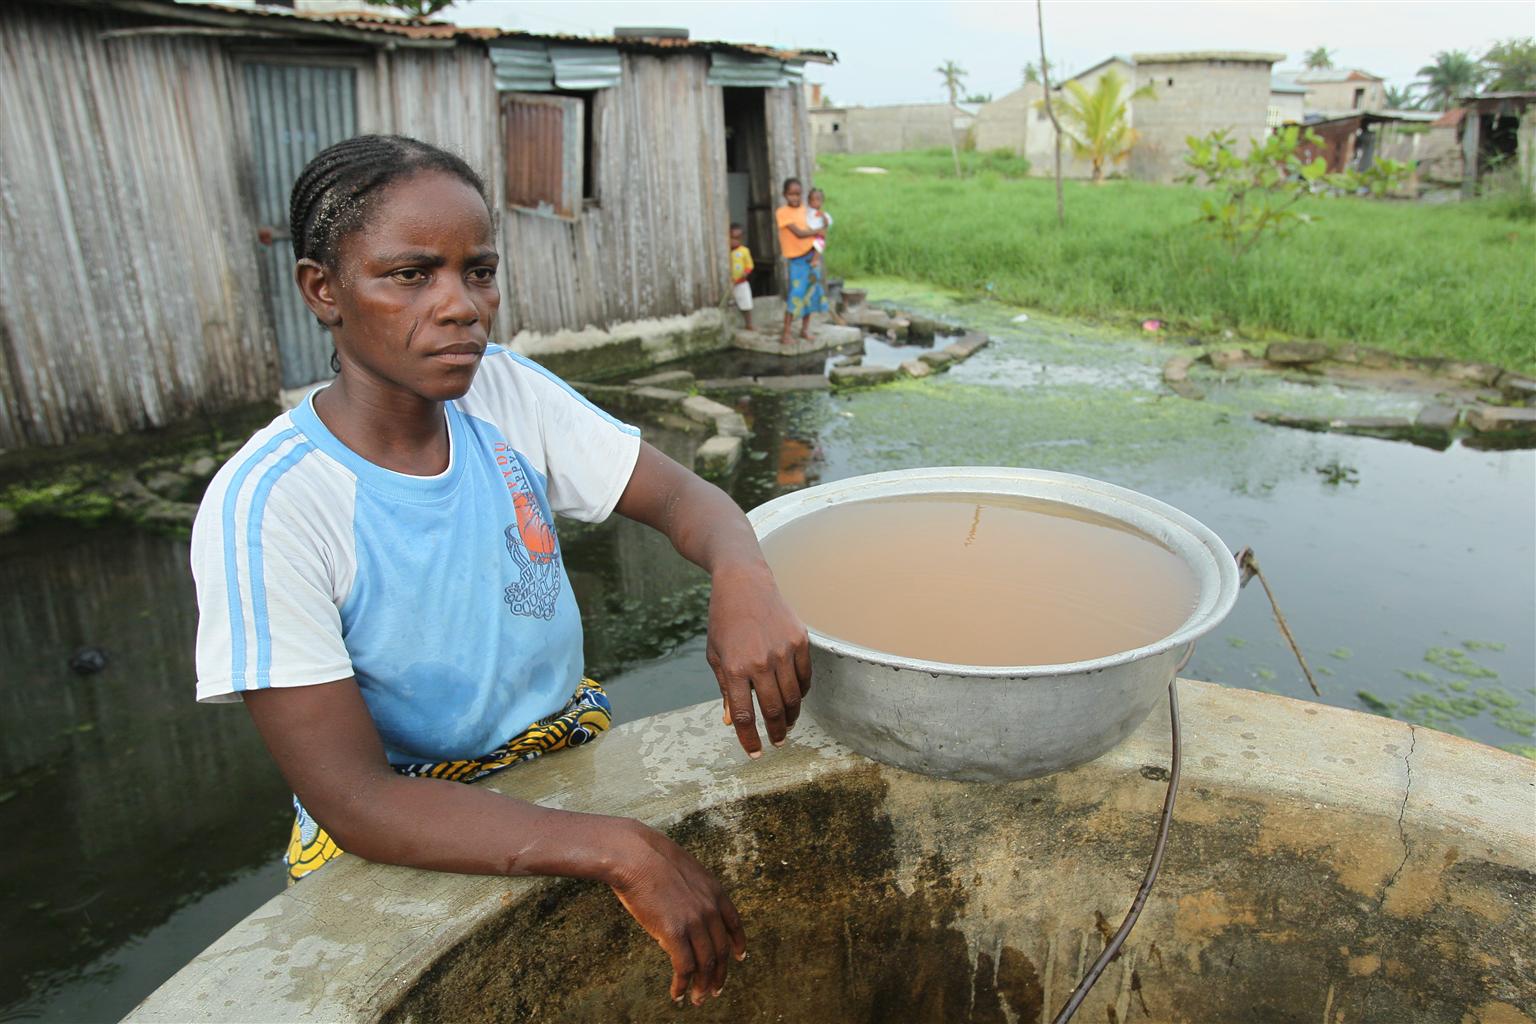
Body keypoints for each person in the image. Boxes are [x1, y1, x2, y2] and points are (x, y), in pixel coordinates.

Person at [190, 135, 811, 1009]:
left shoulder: (504, 392)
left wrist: (742, 576)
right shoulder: (272, 506)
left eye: (476, 270)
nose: (462, 307)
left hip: (562, 756)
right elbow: (354, 799)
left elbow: (685, 502)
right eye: (410, 275)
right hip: (413, 820)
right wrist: (620, 849)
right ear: (321, 290)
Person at [774, 177, 825, 345]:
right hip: (797, 261)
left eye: (798, 194)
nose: (795, 198)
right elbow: (798, 233)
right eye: (791, 194)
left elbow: (820, 222)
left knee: (809, 295)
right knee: (796, 294)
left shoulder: (806, 210)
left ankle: (804, 330)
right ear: (784, 195)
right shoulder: (782, 212)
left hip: (812, 257)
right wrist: (819, 231)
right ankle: (786, 333)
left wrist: (824, 223)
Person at [728, 222, 754, 331]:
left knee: (746, 303)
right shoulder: (726, 251)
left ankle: (749, 324)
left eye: (738, 238)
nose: (735, 241)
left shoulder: (744, 251)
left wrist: (746, 273)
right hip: (730, 283)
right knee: (730, 302)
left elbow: (750, 265)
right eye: (732, 238)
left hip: (741, 282)